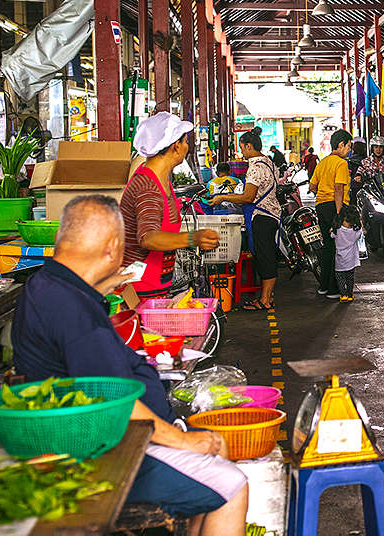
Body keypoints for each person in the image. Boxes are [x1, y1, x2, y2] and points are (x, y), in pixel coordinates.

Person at [13, 196, 248, 533]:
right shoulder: (73, 310)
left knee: (216, 450)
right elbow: (114, 402)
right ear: (112, 248)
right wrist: (183, 440)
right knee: (232, 485)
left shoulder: (50, 284)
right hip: (105, 451)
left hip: (99, 436)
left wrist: (103, 285)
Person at [122, 112, 219, 298]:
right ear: (176, 146)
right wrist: (193, 238)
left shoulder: (161, 180)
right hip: (139, 290)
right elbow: (148, 238)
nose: (187, 147)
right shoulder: (148, 187)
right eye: (185, 142)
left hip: (155, 285)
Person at [209, 131, 280, 311]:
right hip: (271, 215)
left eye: (242, 148)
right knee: (267, 255)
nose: (242, 152)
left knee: (265, 258)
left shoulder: (255, 167)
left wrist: (222, 197)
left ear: (249, 146)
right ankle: (267, 297)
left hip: (262, 216)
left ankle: (265, 300)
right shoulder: (269, 163)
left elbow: (248, 197)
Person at [309, 129, 352, 299]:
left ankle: (324, 286)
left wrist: (323, 194)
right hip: (335, 206)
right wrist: (339, 213)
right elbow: (339, 188)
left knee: (328, 247)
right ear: (341, 145)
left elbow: (312, 186)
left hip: (321, 206)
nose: (349, 150)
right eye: (348, 146)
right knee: (339, 248)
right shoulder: (341, 163)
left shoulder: (322, 162)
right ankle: (334, 289)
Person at [334, 205, 363, 303]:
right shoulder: (356, 231)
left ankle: (343, 295)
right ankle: (350, 295)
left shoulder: (337, 230)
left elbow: (331, 235)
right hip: (351, 261)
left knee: (340, 278)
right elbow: (360, 232)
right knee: (350, 279)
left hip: (340, 261)